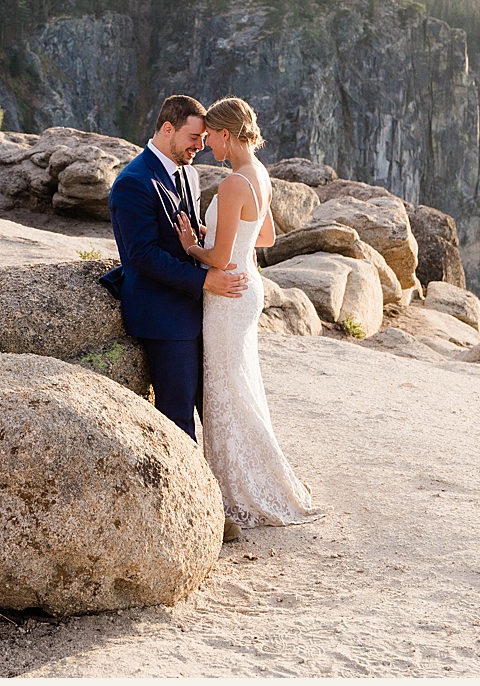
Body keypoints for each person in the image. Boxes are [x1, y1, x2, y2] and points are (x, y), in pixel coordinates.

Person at [171, 96, 325, 528]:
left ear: (225, 134)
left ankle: (237, 488)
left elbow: (217, 261)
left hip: (227, 292)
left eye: (210, 138)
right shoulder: (260, 175)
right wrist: (218, 232)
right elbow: (265, 237)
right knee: (239, 383)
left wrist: (191, 245)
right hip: (249, 287)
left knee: (225, 388)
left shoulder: (232, 183)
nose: (206, 146)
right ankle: (262, 477)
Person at [105, 95, 246, 445]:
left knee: (214, 409)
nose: (201, 145)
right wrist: (206, 280)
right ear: (168, 129)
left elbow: (187, 234)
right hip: (163, 316)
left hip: (199, 311)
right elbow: (143, 256)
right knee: (178, 416)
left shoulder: (190, 175)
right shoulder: (133, 182)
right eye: (194, 137)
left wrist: (202, 240)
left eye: (203, 138)